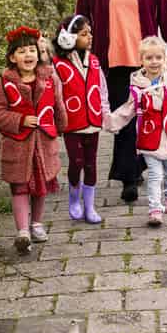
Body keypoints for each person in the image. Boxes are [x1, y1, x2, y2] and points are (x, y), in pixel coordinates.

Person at [76, 0, 167, 203]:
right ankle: (129, 178)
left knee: (147, 116)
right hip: (112, 62)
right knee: (123, 118)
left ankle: (139, 165)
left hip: (147, 61)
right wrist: (79, 50)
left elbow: (165, 11)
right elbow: (81, 17)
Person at [105, 36, 167, 225]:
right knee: (155, 175)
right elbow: (128, 109)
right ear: (141, 60)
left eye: (158, 57)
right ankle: (155, 209)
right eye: (149, 58)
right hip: (149, 137)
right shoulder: (137, 86)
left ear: (165, 59)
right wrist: (111, 122)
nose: (154, 62)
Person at [0, 25, 67, 253]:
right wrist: (20, 119)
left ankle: (37, 224)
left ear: (39, 54)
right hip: (18, 145)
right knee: (20, 186)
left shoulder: (50, 79)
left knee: (41, 186)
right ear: (13, 57)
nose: (28, 55)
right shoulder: (4, 82)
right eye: (21, 52)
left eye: (32, 50)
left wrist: (61, 126)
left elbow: (58, 104)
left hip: (43, 143)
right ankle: (22, 231)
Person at [52, 14, 110, 223]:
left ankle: (90, 206)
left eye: (90, 33)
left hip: (93, 122)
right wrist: (56, 120)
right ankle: (74, 199)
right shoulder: (57, 65)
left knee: (91, 164)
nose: (90, 37)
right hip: (72, 123)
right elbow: (54, 95)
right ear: (68, 38)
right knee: (76, 162)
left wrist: (104, 112)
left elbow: (102, 89)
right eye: (84, 34)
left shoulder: (94, 61)